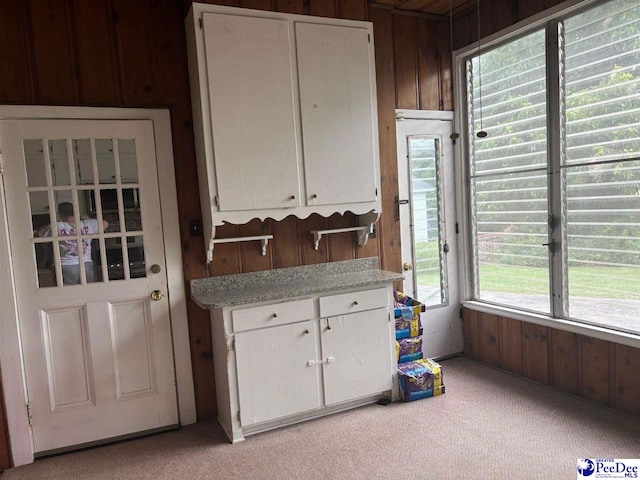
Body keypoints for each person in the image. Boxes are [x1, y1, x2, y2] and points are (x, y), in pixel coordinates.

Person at [39, 202, 109, 285]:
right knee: (87, 292)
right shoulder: (88, 223)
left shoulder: (56, 226)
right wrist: (83, 220)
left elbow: (40, 235)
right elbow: (105, 223)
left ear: (60, 214)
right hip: (86, 263)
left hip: (65, 264)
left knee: (66, 294)